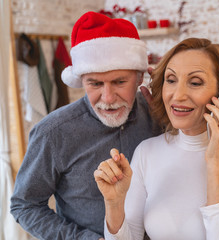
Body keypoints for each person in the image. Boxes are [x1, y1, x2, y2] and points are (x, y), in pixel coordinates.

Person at [94, 38, 219, 240]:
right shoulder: (147, 151)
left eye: (195, 83)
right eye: (171, 80)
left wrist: (216, 163)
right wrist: (114, 204)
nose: (177, 95)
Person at [10, 11, 159, 240]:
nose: (107, 98)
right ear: (81, 80)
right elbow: (24, 205)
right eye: (95, 83)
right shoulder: (53, 133)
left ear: (140, 77)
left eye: (120, 82)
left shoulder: (159, 116)